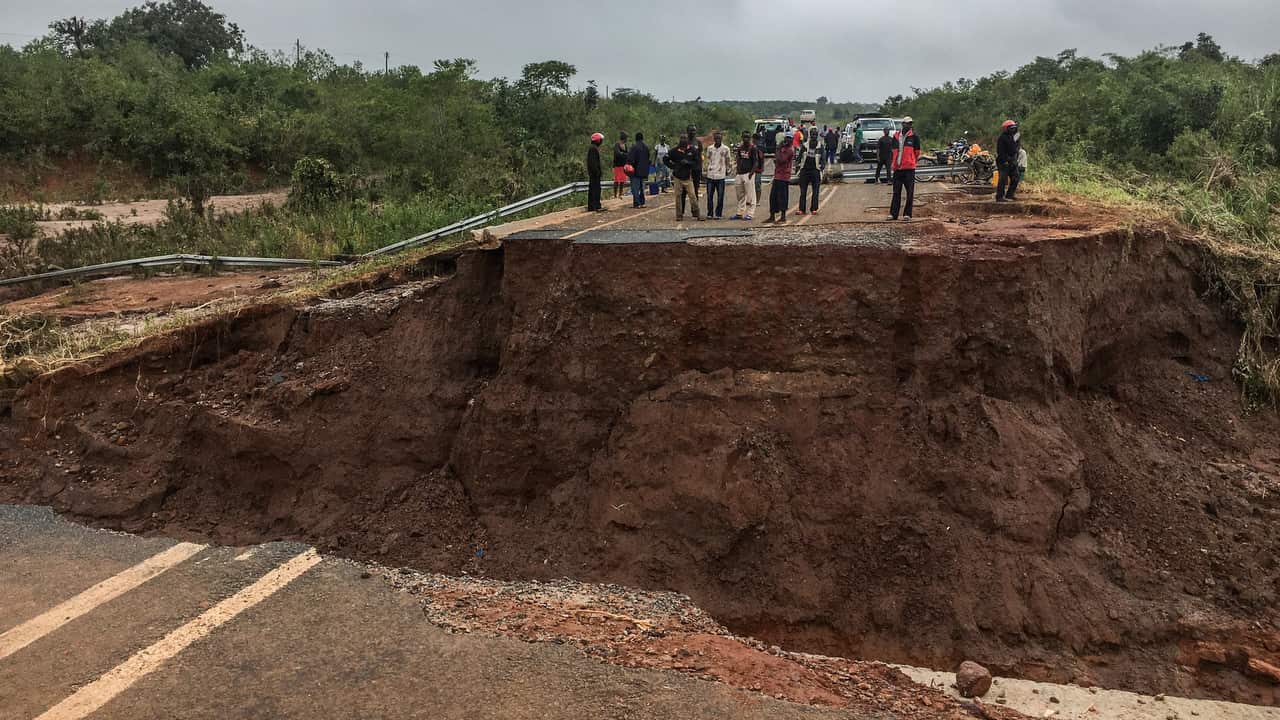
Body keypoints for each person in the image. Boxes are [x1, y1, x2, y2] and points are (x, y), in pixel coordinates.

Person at [888, 116, 921, 222]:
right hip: (898, 168)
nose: (909, 125)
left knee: (909, 192)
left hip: (909, 169)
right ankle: (893, 214)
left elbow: (917, 153)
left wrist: (911, 161)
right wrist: (894, 164)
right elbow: (893, 151)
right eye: (907, 123)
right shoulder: (896, 136)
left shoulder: (914, 137)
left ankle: (907, 214)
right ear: (903, 124)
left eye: (910, 123)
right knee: (896, 192)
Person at [664, 134, 702, 221]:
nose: (683, 140)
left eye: (685, 138)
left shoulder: (692, 150)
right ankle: (679, 215)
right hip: (677, 177)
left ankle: (697, 213)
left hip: (688, 177)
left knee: (692, 196)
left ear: (687, 139)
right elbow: (665, 159)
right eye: (681, 138)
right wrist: (673, 166)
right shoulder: (674, 151)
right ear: (679, 139)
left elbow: (697, 162)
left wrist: (688, 163)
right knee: (678, 197)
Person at [731, 131, 763, 220]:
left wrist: (751, 173)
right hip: (740, 174)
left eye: (747, 137)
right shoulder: (740, 148)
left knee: (751, 195)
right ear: (742, 137)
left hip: (748, 173)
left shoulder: (753, 148)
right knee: (740, 195)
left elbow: (756, 162)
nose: (746, 139)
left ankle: (750, 213)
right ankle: (740, 213)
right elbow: (738, 158)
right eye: (744, 137)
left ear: (750, 138)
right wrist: (737, 170)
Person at [765, 132, 795, 223]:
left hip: (784, 176)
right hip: (777, 175)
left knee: (782, 197)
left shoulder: (789, 150)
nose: (787, 140)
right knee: (773, 197)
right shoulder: (782, 148)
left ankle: (783, 216)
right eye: (786, 138)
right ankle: (772, 216)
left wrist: (778, 149)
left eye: (789, 138)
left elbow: (781, 160)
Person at [703, 130, 731, 219]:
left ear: (721, 138)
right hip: (710, 175)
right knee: (709, 196)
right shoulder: (710, 148)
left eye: (719, 138)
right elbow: (707, 160)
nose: (718, 139)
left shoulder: (726, 149)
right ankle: (710, 213)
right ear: (714, 139)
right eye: (716, 138)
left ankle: (718, 214)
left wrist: (728, 170)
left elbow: (728, 161)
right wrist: (705, 170)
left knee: (720, 196)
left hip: (721, 175)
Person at [796, 131, 823, 215]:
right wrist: (797, 167)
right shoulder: (805, 146)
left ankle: (814, 209)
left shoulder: (820, 146)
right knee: (803, 191)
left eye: (815, 135)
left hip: (815, 170)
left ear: (817, 136)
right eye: (812, 135)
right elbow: (799, 157)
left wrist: (822, 167)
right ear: (810, 136)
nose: (814, 137)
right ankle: (802, 209)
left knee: (815, 191)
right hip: (805, 170)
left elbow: (823, 158)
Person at [996, 120, 1021, 202]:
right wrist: (1005, 161)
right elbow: (1000, 151)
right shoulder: (1002, 138)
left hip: (1012, 160)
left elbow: (1016, 148)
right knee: (1003, 179)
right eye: (1011, 128)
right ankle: (999, 197)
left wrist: (1015, 159)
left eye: (1014, 128)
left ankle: (1010, 195)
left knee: (1016, 178)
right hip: (1003, 161)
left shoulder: (1015, 137)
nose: (1013, 129)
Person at [625, 132, 650, 208]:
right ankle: (642, 202)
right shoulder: (646, 147)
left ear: (636, 138)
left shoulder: (634, 147)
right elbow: (648, 159)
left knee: (635, 188)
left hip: (635, 171)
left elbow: (630, 159)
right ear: (642, 138)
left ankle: (636, 203)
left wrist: (629, 165)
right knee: (642, 188)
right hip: (644, 171)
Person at [585, 132, 605, 212]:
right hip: (594, 174)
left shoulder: (592, 148)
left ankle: (593, 205)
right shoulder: (593, 149)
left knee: (594, 189)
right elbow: (593, 163)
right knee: (595, 190)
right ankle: (595, 205)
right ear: (597, 141)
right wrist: (597, 172)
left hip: (594, 174)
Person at [686, 124, 703, 195]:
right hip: (686, 169)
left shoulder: (698, 142)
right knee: (685, 189)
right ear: (687, 131)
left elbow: (700, 156)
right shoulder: (684, 141)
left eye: (694, 130)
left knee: (696, 187)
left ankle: (695, 205)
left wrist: (700, 168)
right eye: (691, 130)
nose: (693, 132)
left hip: (696, 168)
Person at [612, 132, 629, 199]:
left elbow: (626, 154)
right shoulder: (617, 144)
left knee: (622, 180)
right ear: (624, 138)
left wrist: (623, 154)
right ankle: (615, 194)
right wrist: (624, 154)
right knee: (616, 180)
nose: (627, 139)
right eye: (626, 138)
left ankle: (620, 194)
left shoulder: (625, 145)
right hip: (617, 165)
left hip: (623, 165)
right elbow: (617, 154)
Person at [751, 132, 765, 199]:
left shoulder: (760, 147)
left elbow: (761, 158)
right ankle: (753, 199)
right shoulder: (751, 147)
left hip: (758, 169)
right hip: (752, 169)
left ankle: (757, 200)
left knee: (757, 184)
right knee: (752, 185)